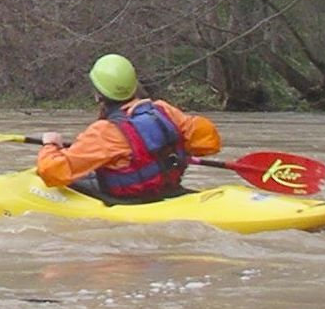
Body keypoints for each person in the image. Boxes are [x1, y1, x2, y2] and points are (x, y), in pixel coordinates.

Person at [35, 53, 221, 202]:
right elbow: (210, 144)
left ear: (98, 95)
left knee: (55, 179)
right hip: (166, 191)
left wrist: (51, 145)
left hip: (131, 201)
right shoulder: (164, 111)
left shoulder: (104, 132)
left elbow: (52, 172)